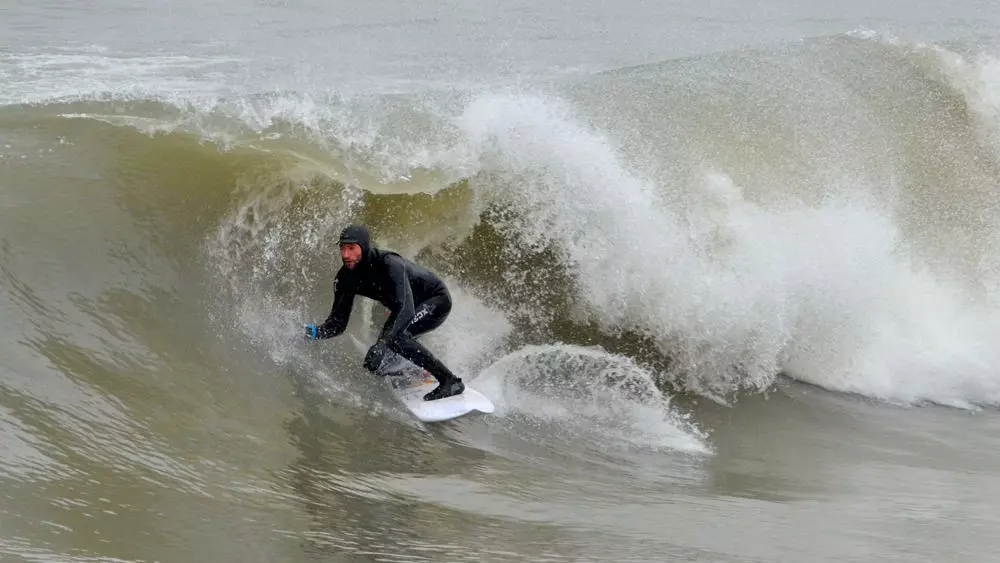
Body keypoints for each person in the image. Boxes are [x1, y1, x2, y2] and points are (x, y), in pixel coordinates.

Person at [303, 224, 466, 401]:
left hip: (435, 300)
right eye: (342, 248)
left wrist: (382, 343)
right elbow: (337, 324)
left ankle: (451, 382)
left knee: (396, 338)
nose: (345, 255)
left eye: (351, 248)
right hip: (406, 305)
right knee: (376, 365)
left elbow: (406, 309)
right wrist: (313, 333)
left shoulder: (389, 263)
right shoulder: (345, 278)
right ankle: (412, 369)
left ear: (363, 247)